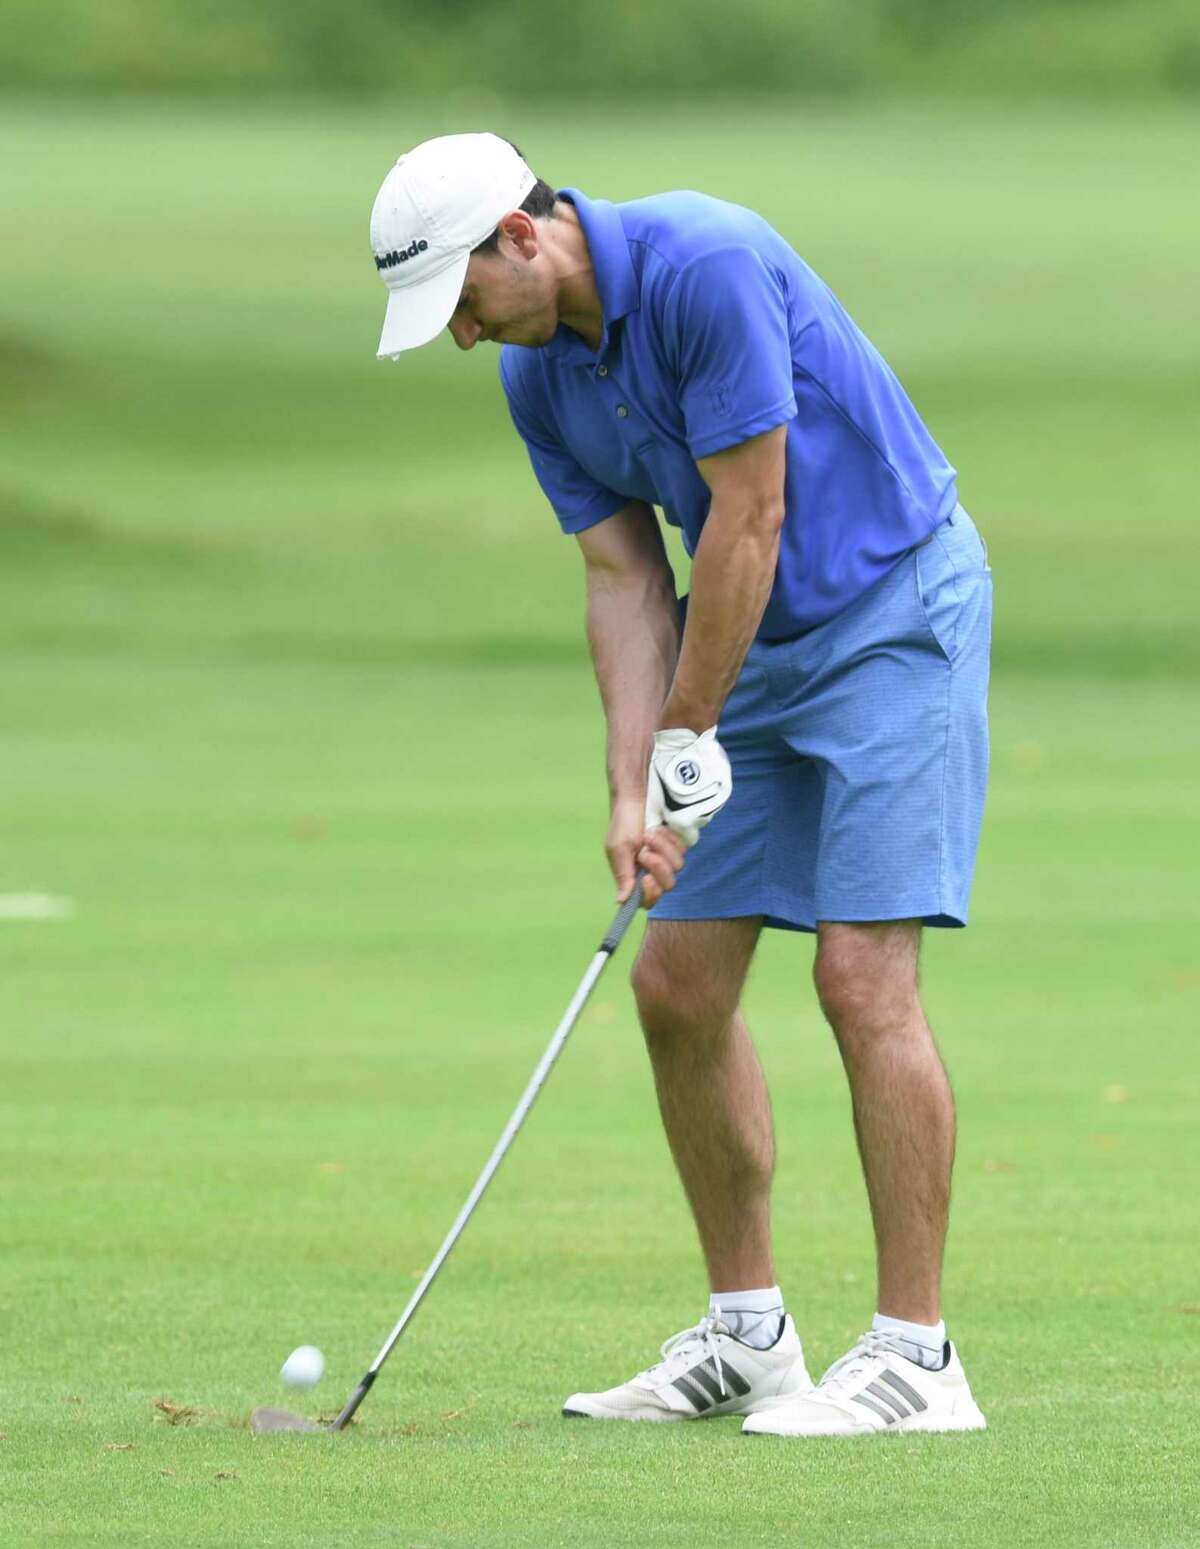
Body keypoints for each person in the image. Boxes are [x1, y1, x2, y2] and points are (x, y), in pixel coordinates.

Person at [368, 132, 992, 1437]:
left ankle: (917, 1354)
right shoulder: (542, 378)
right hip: (743, 641)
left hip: (891, 616)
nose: (469, 337)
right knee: (675, 986)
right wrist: (628, 789)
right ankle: (751, 1334)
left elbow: (747, 515)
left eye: (467, 302)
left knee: (859, 976)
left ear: (520, 237)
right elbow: (625, 579)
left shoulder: (703, 260)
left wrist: (686, 734)